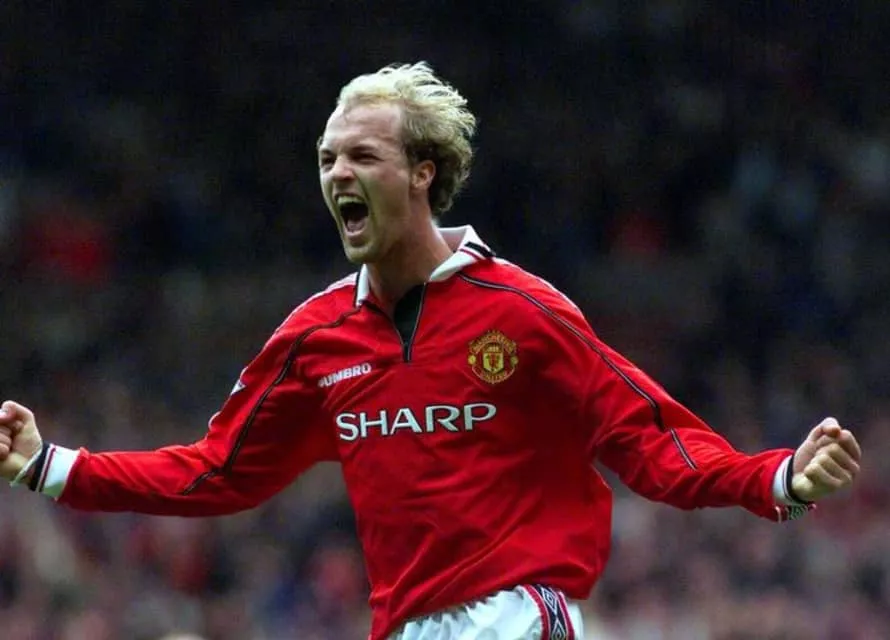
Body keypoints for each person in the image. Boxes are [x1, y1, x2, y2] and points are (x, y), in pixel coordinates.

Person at [0, 62, 862, 640]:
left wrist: (778, 479)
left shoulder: (524, 312)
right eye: (327, 158)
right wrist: (51, 466)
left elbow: (650, 440)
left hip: (517, 617)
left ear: (421, 172)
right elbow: (216, 471)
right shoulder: (313, 338)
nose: (337, 173)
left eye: (362, 155)